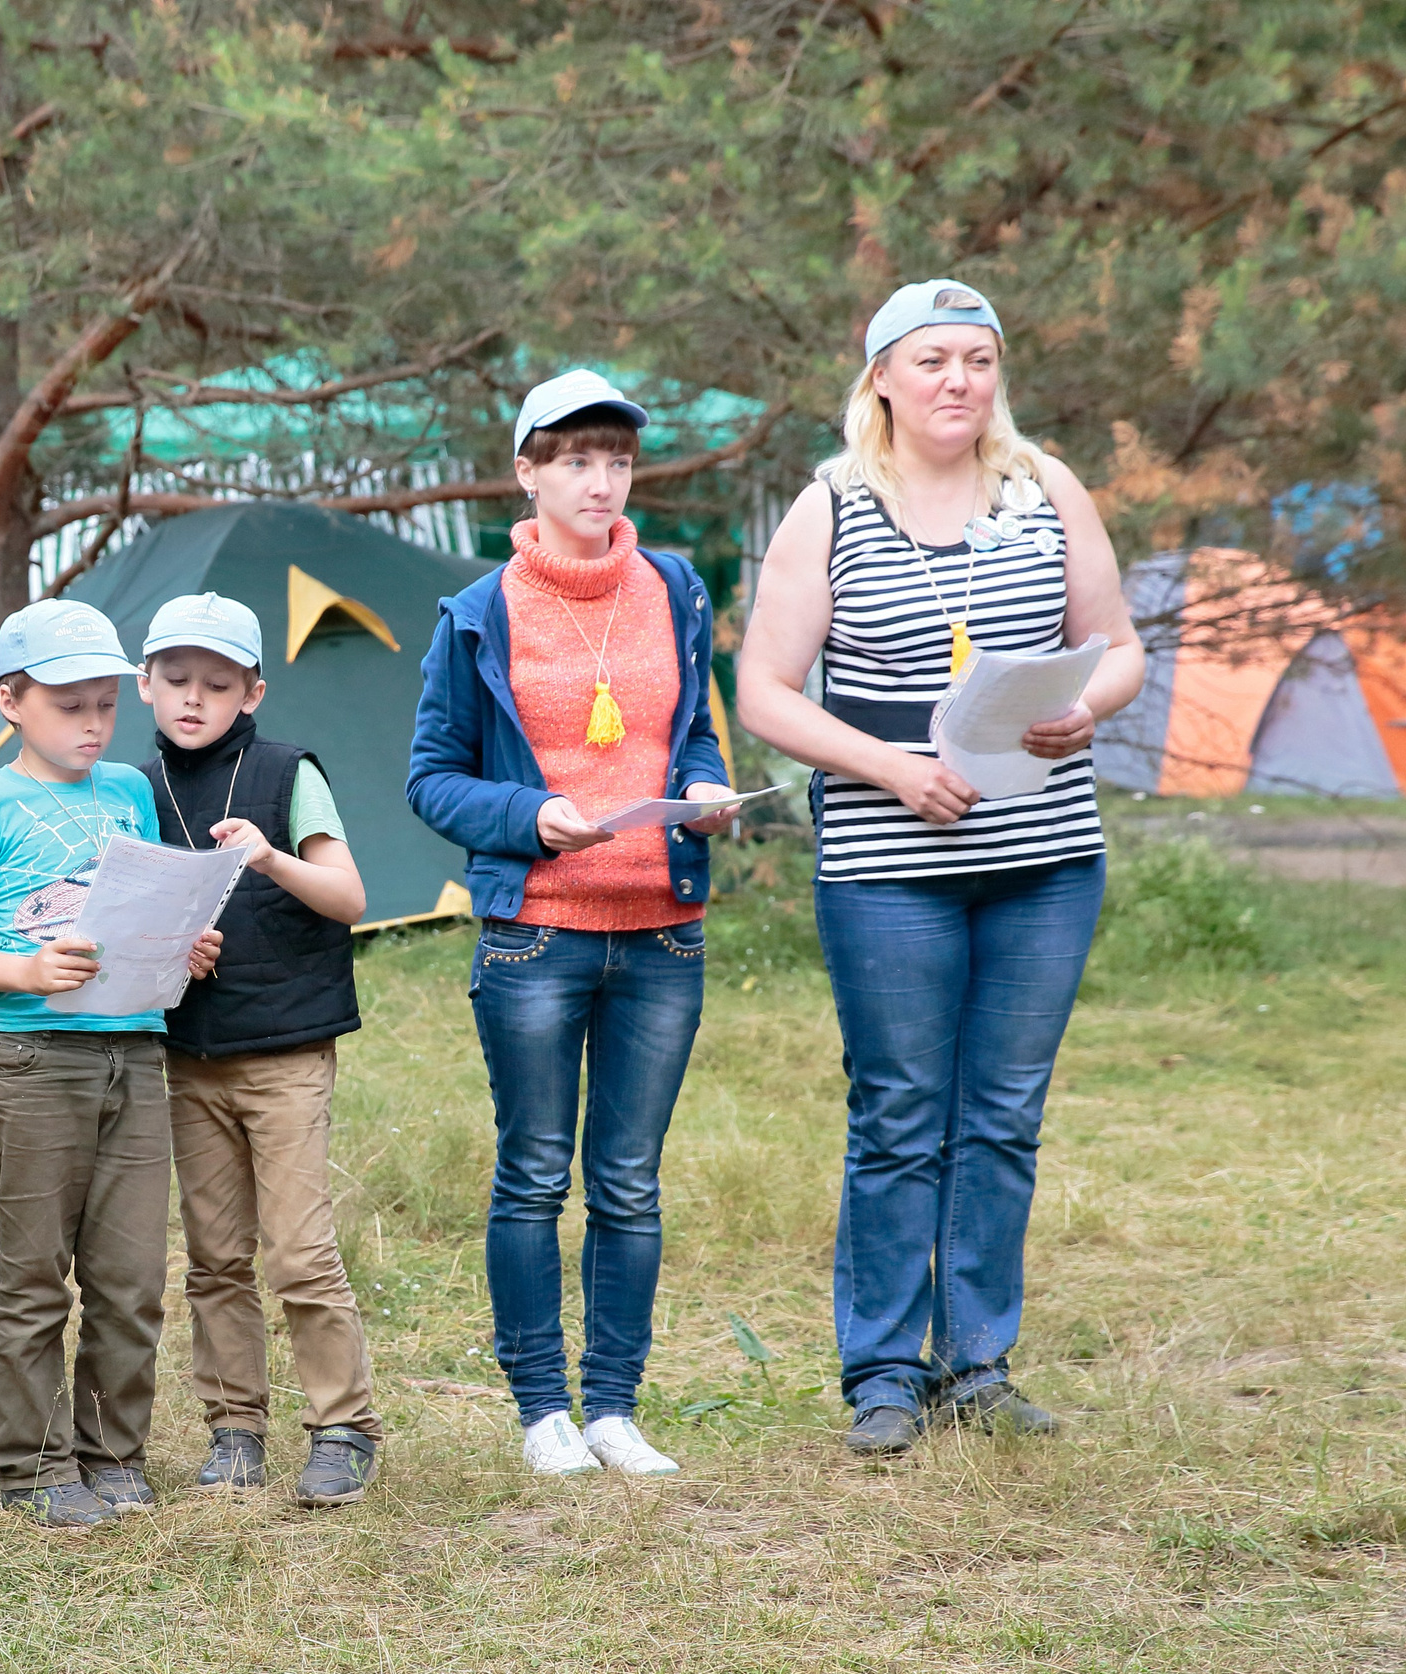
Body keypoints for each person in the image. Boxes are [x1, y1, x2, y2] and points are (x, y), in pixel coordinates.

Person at [737, 281, 1143, 1456]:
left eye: (977, 358)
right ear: (880, 378)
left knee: (1002, 1116)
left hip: (1043, 859)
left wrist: (1086, 708)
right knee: (901, 1113)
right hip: (887, 863)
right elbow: (764, 691)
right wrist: (889, 769)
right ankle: (881, 1374)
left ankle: (976, 1363)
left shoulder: (1044, 486)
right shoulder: (830, 506)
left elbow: (1118, 648)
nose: (957, 380)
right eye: (930, 360)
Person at [407, 371, 743, 1479]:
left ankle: (613, 1409)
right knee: (534, 1174)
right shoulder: (479, 612)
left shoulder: (675, 587)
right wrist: (530, 816)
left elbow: (692, 734)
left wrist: (703, 789)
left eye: (619, 462)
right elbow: (431, 778)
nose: (602, 483)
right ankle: (542, 1410)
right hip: (536, 936)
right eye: (577, 461)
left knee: (630, 1181)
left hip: (662, 933)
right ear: (529, 473)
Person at [0, 601, 222, 1528]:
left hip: (134, 1051)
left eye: (105, 704)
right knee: (34, 1274)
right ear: (11, 701)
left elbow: (141, 907)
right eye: (69, 706)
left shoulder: (129, 791)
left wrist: (183, 946)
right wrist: (25, 969)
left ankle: (111, 1450)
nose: (92, 724)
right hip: (35, 1059)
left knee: (131, 1276)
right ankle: (33, 1464)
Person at [133, 593, 383, 1506]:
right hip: (187, 1052)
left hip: (285, 1052)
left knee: (301, 1251)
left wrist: (271, 858)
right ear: (145, 684)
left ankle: (344, 1426)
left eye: (217, 683)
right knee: (213, 1256)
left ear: (253, 692)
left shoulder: (287, 772)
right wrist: (174, 951)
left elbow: (349, 897)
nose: (194, 698)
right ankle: (234, 1427)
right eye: (176, 680)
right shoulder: (133, 788)